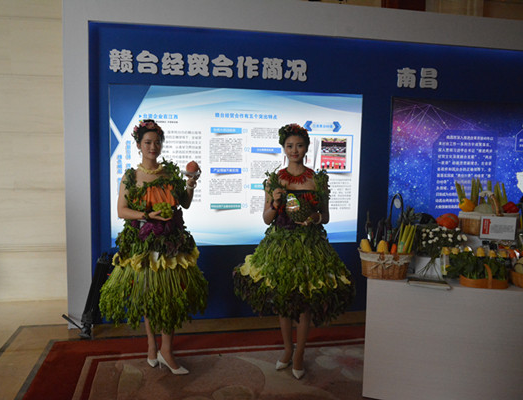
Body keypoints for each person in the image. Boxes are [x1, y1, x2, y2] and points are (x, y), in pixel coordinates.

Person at [234, 123, 355, 380]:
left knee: (304, 303)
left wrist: (314, 217)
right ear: (283, 148)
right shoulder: (274, 180)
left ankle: (300, 353)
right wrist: (275, 202)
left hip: (309, 246)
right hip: (281, 246)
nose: (294, 150)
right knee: (283, 301)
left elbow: (326, 216)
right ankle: (287, 349)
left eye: (299, 145)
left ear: (307, 147)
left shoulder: (317, 179)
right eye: (289, 146)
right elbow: (267, 219)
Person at [100, 119, 208, 375]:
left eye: (157, 142)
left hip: (170, 243)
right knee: (149, 296)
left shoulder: (169, 174)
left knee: (169, 297)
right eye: (148, 142)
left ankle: (166, 351)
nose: (153, 146)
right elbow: (122, 210)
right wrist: (147, 216)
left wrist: (190, 184)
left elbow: (184, 203)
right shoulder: (130, 176)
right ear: (138, 145)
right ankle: (151, 346)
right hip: (144, 243)